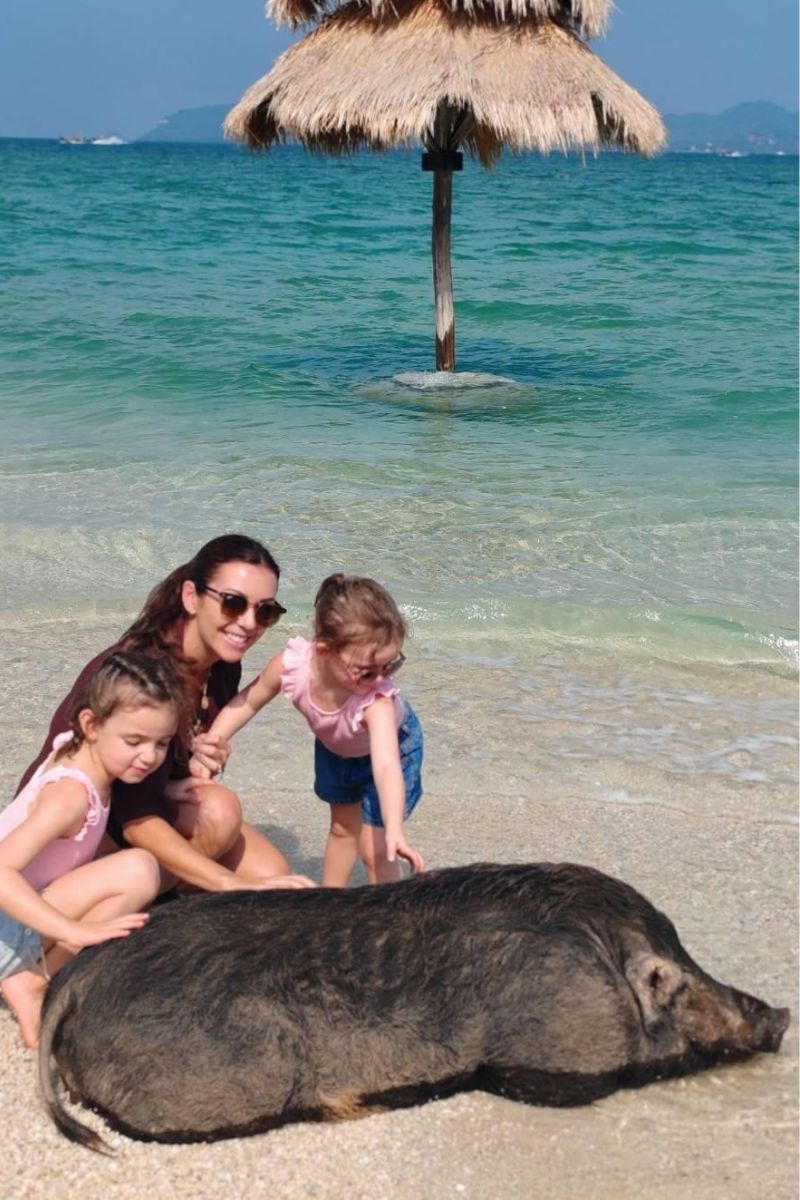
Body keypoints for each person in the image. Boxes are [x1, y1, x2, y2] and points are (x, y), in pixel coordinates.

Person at [16, 534, 313, 894]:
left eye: (265, 611)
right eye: (234, 604)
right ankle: (143, 909)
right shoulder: (148, 674)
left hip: (138, 802)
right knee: (220, 813)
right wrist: (225, 882)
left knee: (272, 875)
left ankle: (160, 895)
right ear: (191, 597)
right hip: (76, 828)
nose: (250, 623)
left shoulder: (220, 665)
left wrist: (192, 762)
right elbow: (133, 816)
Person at [192, 573, 425, 887]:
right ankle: (329, 903)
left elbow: (386, 765)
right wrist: (213, 740)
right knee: (343, 830)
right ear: (325, 650)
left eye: (390, 665)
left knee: (376, 847)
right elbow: (249, 701)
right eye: (367, 670)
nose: (381, 678)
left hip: (394, 751)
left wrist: (395, 828)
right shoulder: (293, 666)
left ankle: (394, 917)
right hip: (337, 747)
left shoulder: (376, 701)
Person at [0, 651, 180, 1049]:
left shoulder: (77, 748)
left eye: (162, 743)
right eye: (135, 741)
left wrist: (171, 788)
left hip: (10, 925)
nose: (149, 756)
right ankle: (34, 983)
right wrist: (73, 930)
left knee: (141, 867)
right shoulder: (70, 796)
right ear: (92, 724)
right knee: (140, 870)